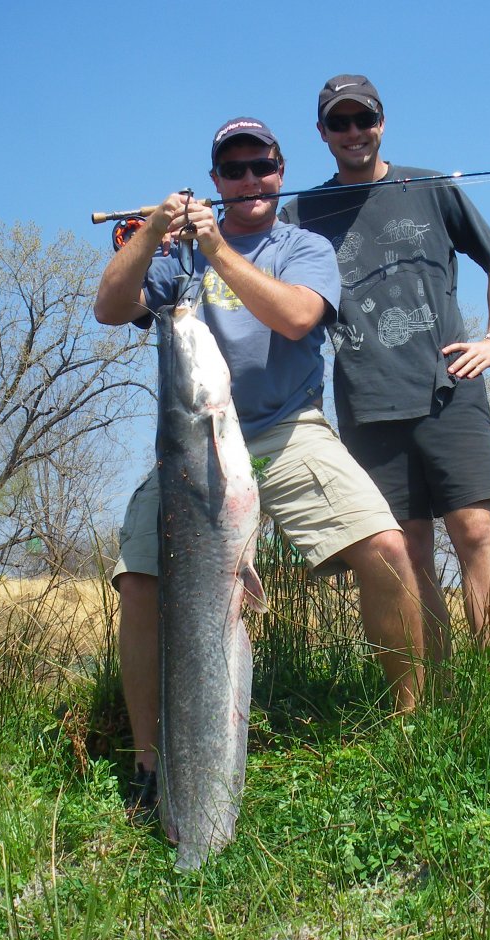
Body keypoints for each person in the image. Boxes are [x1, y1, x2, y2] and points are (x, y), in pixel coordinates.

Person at [94, 117, 426, 821]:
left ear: (279, 172)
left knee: (387, 549)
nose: (249, 180)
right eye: (233, 169)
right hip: (193, 445)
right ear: (214, 178)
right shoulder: (172, 256)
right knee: (139, 576)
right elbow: (111, 307)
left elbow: (297, 318)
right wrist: (153, 232)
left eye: (261, 168)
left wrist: (214, 247)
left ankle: (412, 732)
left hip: (285, 432)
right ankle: (153, 764)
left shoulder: (301, 246)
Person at [282, 75, 490, 685]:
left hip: (449, 389)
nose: (354, 132)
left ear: (382, 123)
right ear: (323, 134)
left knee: (474, 531)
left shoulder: (430, 188)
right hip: (365, 404)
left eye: (364, 120)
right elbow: (255, 258)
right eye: (340, 123)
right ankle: (438, 700)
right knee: (409, 553)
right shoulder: (300, 214)